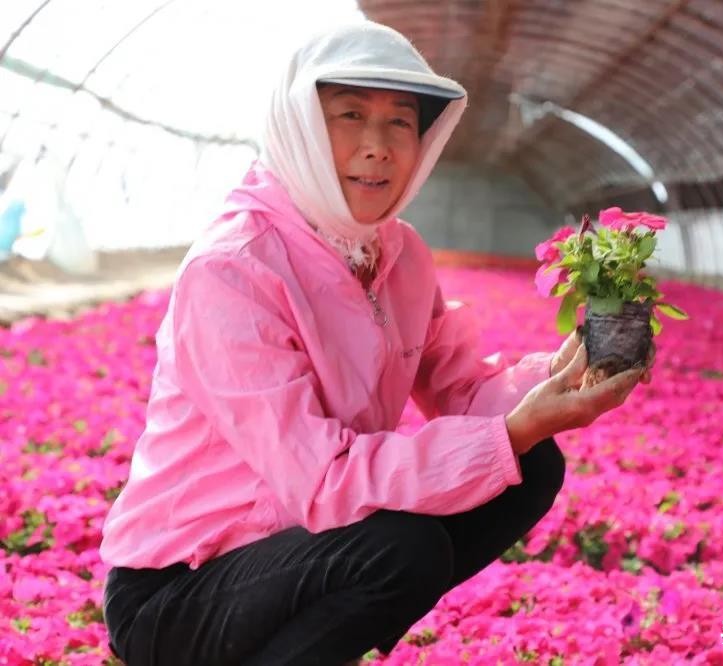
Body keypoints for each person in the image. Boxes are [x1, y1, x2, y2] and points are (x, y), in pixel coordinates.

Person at [100, 20, 652, 666]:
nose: (378, 147)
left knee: (531, 469)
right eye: (350, 115)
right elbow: (323, 482)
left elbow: (463, 389)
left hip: (301, 547)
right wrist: (508, 433)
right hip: (180, 589)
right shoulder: (234, 268)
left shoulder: (400, 252)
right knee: (402, 550)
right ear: (301, 125)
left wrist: (560, 373)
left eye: (399, 123)